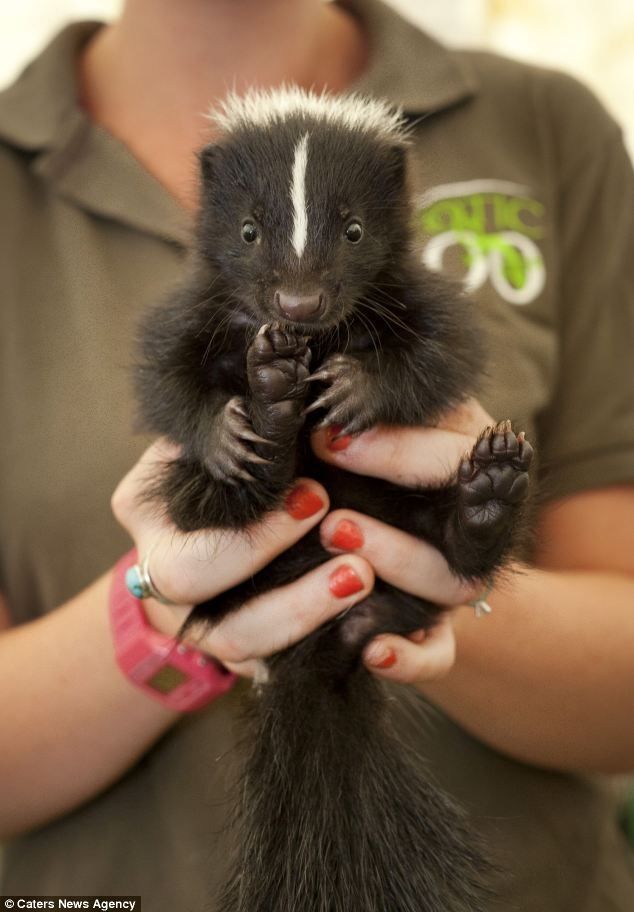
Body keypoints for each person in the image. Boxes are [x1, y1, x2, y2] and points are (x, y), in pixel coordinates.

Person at [0, 0, 633, 908]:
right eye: (258, 242)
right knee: (212, 468)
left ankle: (464, 534)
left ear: (391, 205)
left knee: (452, 489)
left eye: (344, 240)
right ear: (217, 206)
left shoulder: (545, 123)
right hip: (120, 872)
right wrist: (166, 607)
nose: (298, 294)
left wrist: (444, 600)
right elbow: (173, 388)